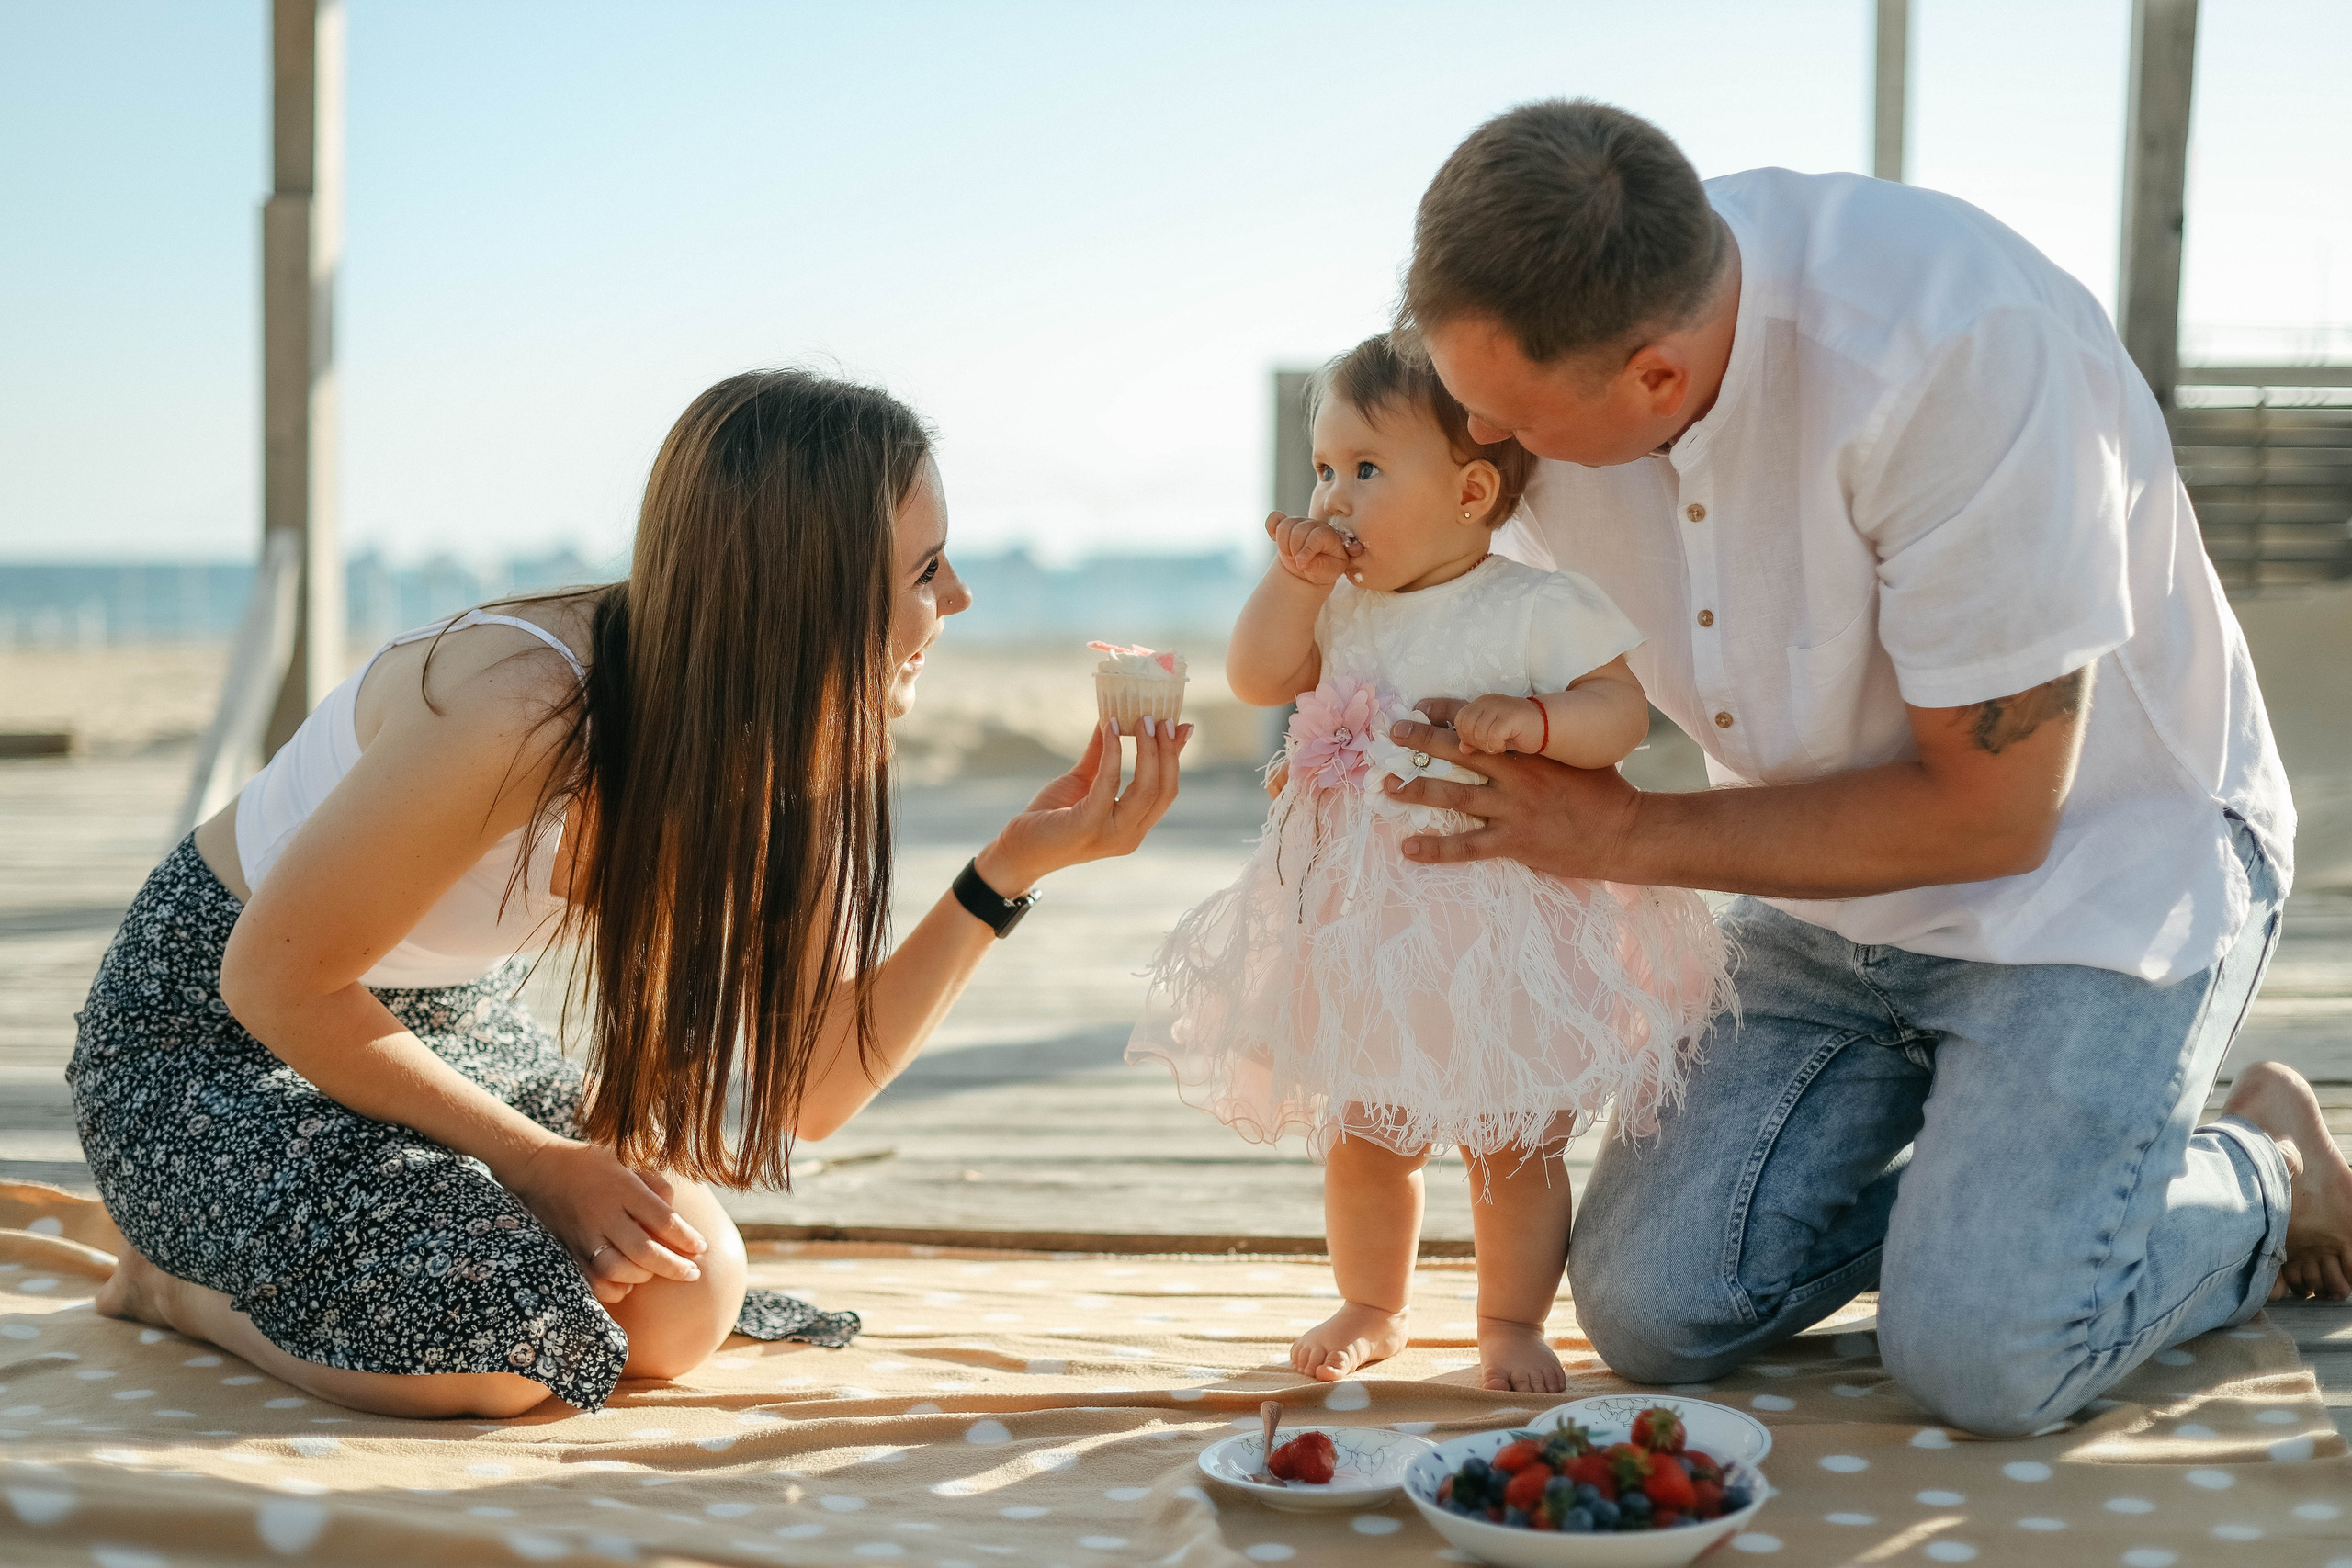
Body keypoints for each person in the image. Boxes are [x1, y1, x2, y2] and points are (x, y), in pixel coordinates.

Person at [1374, 98, 2352, 1436]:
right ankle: (2018, 1199)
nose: (1471, 437)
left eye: (1501, 417)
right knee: (1654, 1307)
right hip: (1819, 887)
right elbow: (1398, 551)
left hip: (2103, 872)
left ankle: (2263, 1166)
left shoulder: (1954, 355)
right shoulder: (1554, 326)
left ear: (1655, 377)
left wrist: (1613, 834)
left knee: (1993, 1354)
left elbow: (1997, 812)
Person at [71, 369, 1193, 1419]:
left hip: (435, 1031)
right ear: (804, 592)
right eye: (923, 569)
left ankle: (309, 1262)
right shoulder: (521, 706)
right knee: (505, 1347)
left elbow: (814, 1085)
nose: (959, 594)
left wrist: (1011, 868)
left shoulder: (776, 734)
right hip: (207, 1040)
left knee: (683, 1300)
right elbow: (270, 980)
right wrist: (537, 1163)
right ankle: (170, 1286)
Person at [1128, 336, 1732, 1393]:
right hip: (1366, 925)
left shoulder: (1534, 601)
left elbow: (1619, 712)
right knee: (1365, 1130)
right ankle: (1373, 1302)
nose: (1334, 496)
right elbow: (1255, 671)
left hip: (1505, 923)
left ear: (1469, 490)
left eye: (1366, 470)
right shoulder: (1344, 607)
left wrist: (1540, 721)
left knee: (1511, 1143)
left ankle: (1508, 1321)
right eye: (1323, 470)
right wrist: (1290, 583)